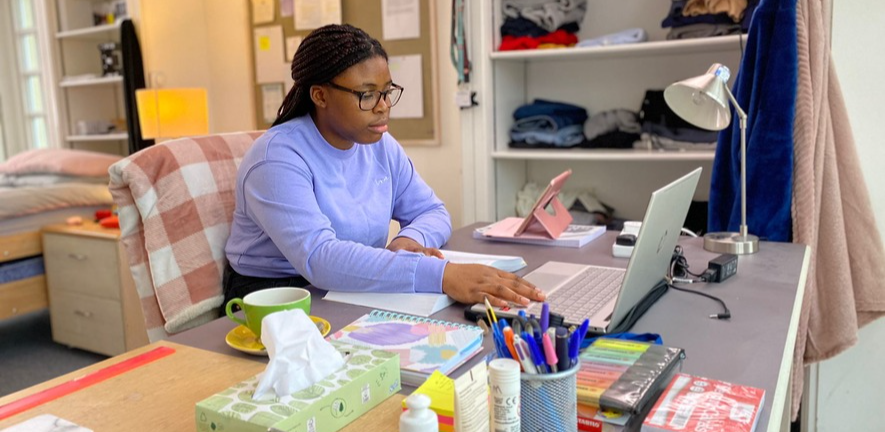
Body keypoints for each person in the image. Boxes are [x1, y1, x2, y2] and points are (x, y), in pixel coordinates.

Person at [223, 24, 545, 311]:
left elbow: (432, 211)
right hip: (276, 295)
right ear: (320, 96)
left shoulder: (379, 145)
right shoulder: (277, 158)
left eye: (387, 92)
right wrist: (443, 274)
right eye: (367, 95)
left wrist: (409, 241)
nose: (384, 107)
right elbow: (319, 258)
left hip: (345, 280)